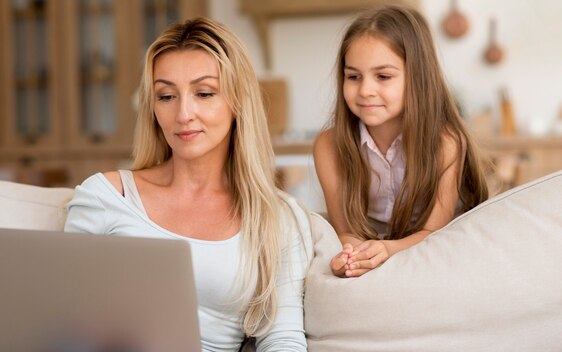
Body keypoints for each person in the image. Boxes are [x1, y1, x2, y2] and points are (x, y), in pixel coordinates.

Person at [64, 18, 312, 351]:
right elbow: (62, 322)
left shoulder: (277, 218)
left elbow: (282, 339)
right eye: (166, 96)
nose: (183, 114)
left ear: (238, 101)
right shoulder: (106, 196)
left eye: (204, 93)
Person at [313, 5, 489, 278]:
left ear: (417, 78)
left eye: (383, 76)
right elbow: (346, 230)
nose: (365, 90)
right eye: (353, 77)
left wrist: (388, 250)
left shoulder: (446, 142)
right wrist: (354, 257)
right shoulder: (328, 146)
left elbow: (434, 233)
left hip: (438, 244)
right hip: (379, 241)